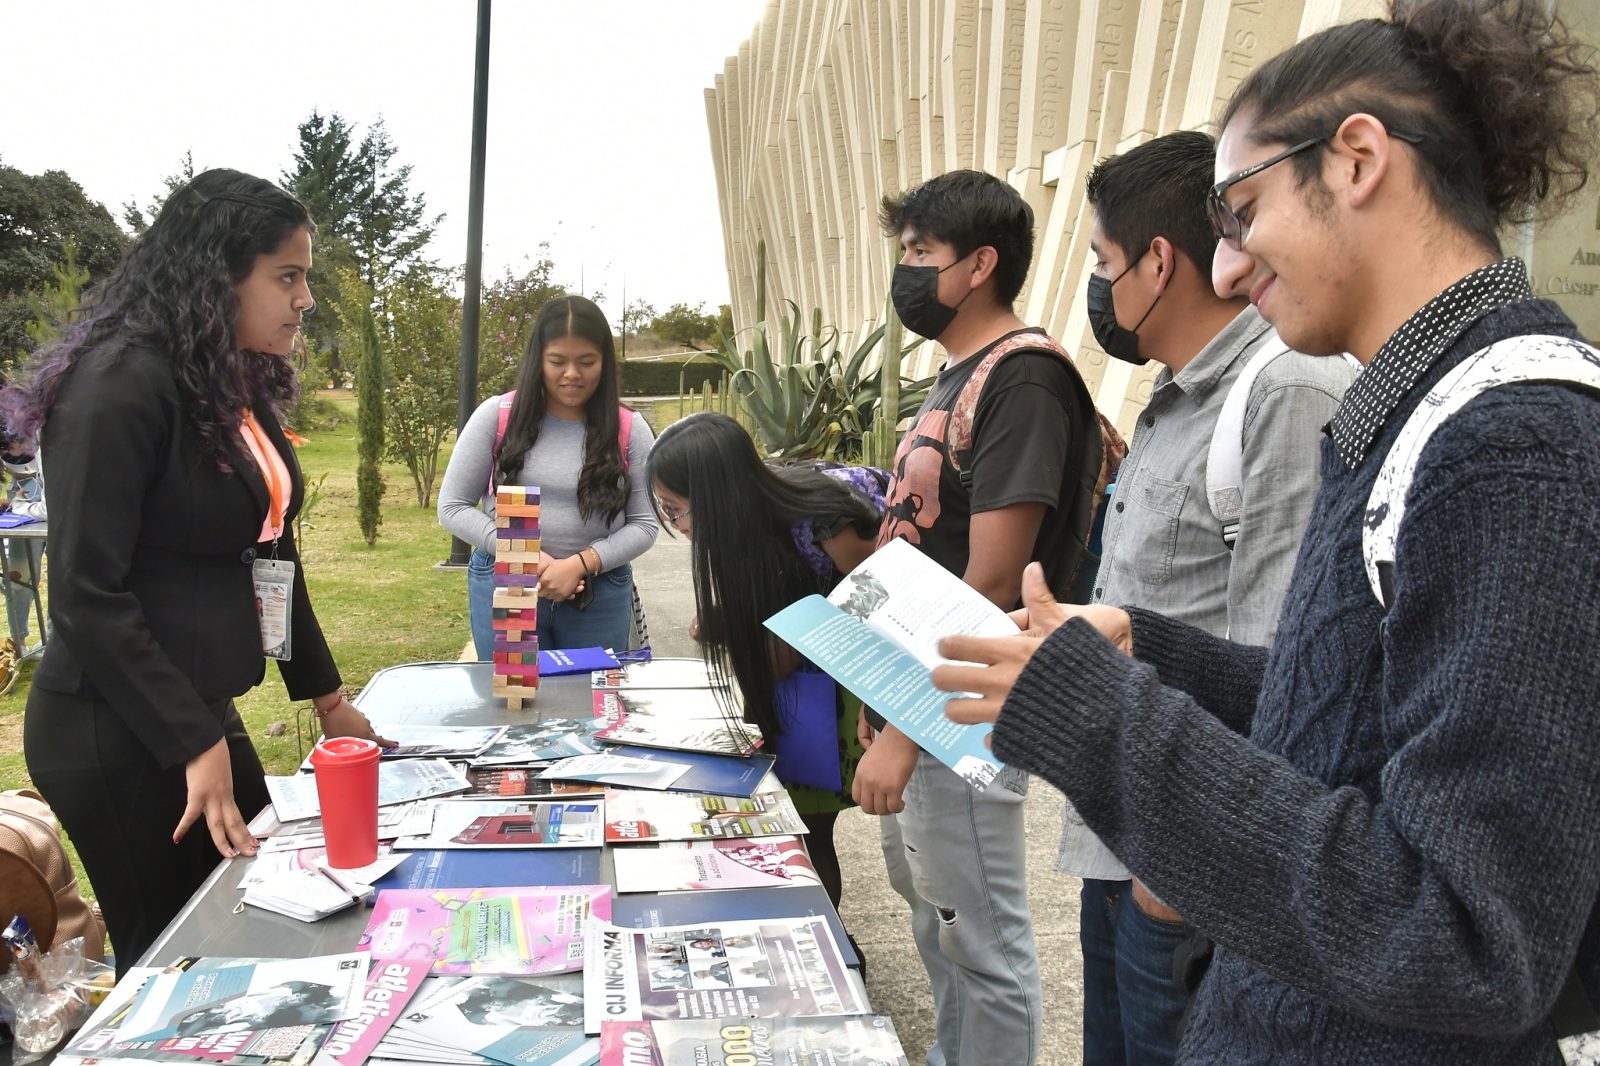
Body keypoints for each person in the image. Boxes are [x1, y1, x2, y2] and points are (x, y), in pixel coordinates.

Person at [934, 1, 1600, 1061]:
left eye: (1240, 213)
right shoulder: (1421, 406)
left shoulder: (1508, 444)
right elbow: (1366, 730)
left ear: (1355, 160)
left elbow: (1468, 938)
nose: (1231, 267)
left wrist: (1105, 723)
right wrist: (1159, 654)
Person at [0, 169, 390, 974]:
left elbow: (272, 550)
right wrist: (192, 737)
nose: (304, 299)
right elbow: (82, 592)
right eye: (287, 276)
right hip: (113, 732)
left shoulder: (218, 380)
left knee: (261, 911)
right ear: (218, 275)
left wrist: (329, 699)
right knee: (180, 961)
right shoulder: (117, 384)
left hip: (192, 715)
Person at [1066, 131, 1355, 1064]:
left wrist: (1184, 869)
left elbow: (1287, 670)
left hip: (1183, 871)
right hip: (1119, 837)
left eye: (1104, 264)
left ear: (1158, 261)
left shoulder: (1287, 392)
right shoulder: (1175, 398)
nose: (1100, 288)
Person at [861, 168, 1111, 1066]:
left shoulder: (1025, 379)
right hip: (917, 692)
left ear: (979, 265)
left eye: (921, 253)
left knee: (985, 942)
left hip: (956, 709)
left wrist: (904, 729)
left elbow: (993, 575)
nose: (907, 271)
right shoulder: (954, 377)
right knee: (940, 925)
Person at [646, 411, 886, 911]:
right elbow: (770, 599)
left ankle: (826, 943)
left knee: (808, 827)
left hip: (857, 669)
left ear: (716, 496)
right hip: (809, 651)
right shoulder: (739, 525)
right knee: (787, 813)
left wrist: (788, 641)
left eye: (676, 509)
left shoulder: (828, 521)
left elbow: (884, 601)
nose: (676, 525)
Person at [438, 294, 658, 657]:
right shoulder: (497, 417)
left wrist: (580, 565)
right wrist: (530, 559)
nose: (572, 374)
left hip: (599, 593)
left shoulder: (628, 429)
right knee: (514, 703)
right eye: (558, 361)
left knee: (590, 703)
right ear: (538, 359)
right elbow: (453, 506)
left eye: (587, 362)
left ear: (604, 362)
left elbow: (645, 524)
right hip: (507, 583)